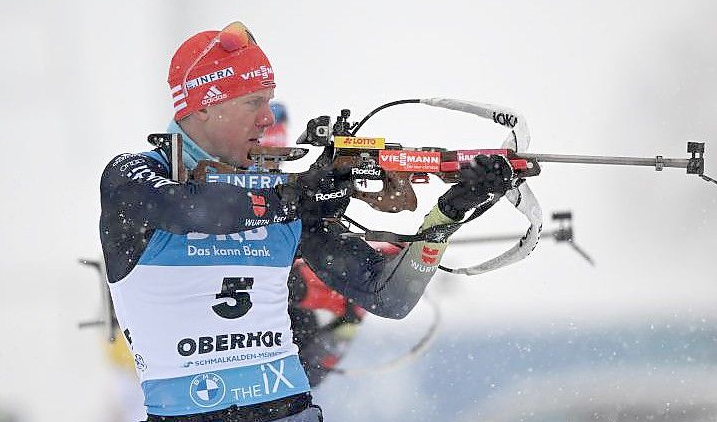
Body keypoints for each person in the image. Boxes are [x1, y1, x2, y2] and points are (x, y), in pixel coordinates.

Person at [99, 21, 514, 421]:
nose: (267, 118)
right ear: (205, 106)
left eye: (268, 100)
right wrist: (297, 196)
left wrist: (448, 214)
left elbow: (389, 297)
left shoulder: (282, 196)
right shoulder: (133, 178)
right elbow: (189, 209)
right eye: (252, 102)